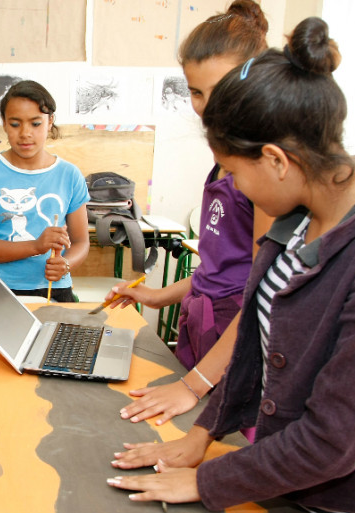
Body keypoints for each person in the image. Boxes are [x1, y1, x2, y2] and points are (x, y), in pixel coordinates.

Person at [107, 18, 355, 513]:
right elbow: (255, 337)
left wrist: (208, 480)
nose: (230, 185)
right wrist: (201, 436)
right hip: (283, 485)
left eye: (234, 171)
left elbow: (331, 442)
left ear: (276, 160)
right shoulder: (299, 212)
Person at [108, 0, 273, 426]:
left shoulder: (266, 170)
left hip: (234, 343)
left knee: (224, 441)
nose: (204, 106)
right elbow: (217, 270)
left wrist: (193, 384)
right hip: (202, 329)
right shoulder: (222, 161)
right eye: (196, 92)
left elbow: (259, 295)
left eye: (219, 90)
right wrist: (155, 296)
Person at [0, 80, 90, 302]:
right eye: (15, 124)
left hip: (54, 288)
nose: (25, 133)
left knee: (57, 338)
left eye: (35, 123)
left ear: (50, 122)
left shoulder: (69, 175)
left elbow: (81, 241)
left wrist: (66, 264)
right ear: (4, 123)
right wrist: (35, 246)